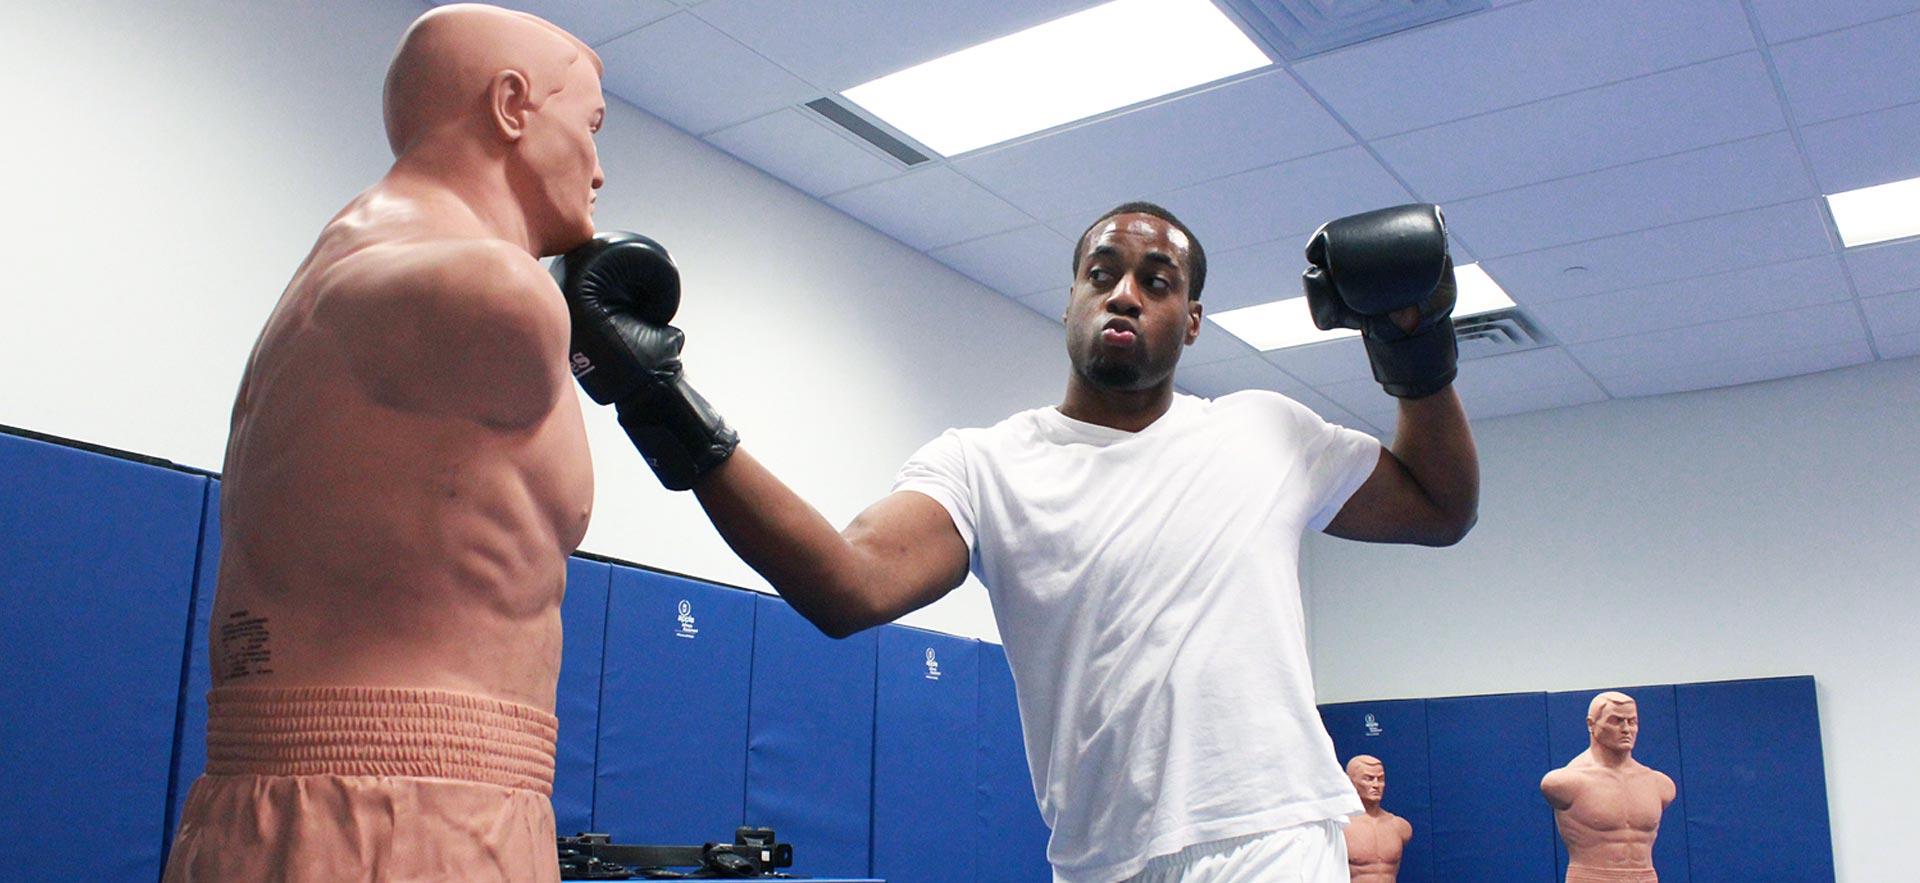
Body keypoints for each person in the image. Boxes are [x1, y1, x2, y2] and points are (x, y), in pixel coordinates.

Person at [561, 201, 1478, 882]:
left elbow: (1440, 505)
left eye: (1158, 281)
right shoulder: (986, 465)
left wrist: (1415, 346)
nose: (1125, 290)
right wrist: (653, 395)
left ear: (1191, 321)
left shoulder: (1262, 430)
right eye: (1103, 271)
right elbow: (845, 586)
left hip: (1269, 836)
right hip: (1099, 859)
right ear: (1073, 296)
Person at [162, 5, 606, 881]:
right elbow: (512, 322)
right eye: (589, 127)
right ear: (513, 105)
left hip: (302, 806)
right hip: (408, 818)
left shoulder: (339, 271)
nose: (599, 170)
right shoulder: (492, 294)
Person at [1540, 692, 1677, 883]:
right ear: (1591, 724)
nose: (1626, 729)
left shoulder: (1659, 784)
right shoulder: (1565, 783)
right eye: (1616, 721)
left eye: (1632, 721)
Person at [1342, 755, 1412, 882]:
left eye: (1380, 779)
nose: (1376, 785)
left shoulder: (1400, 827)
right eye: (1368, 779)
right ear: (1350, 782)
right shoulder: (1340, 827)